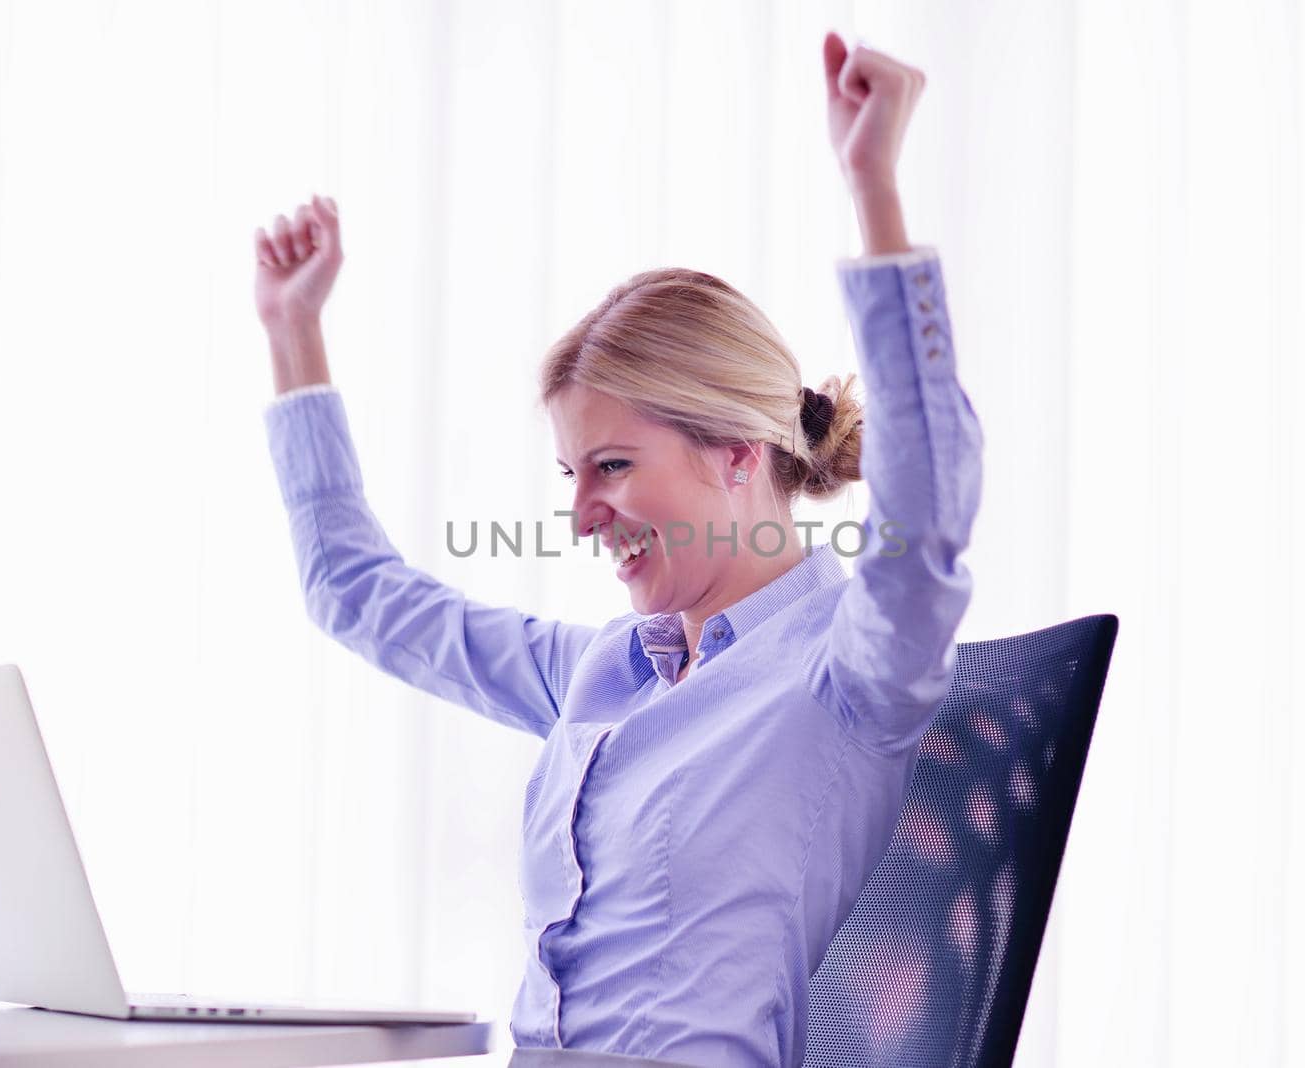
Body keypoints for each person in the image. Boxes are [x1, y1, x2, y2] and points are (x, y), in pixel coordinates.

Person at [251, 30, 981, 1068]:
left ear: (735, 453)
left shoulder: (850, 669)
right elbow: (358, 599)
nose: (582, 514)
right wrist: (293, 334)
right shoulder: (602, 673)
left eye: (611, 467)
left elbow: (931, 502)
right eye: (571, 477)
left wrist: (873, 189)